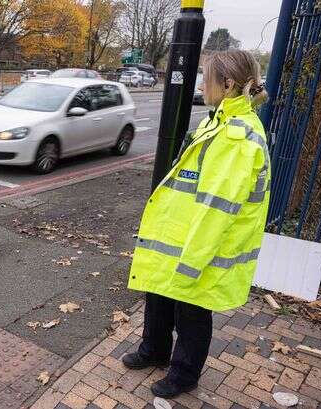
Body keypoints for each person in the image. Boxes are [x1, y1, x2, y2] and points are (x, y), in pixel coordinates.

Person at [123, 49, 270, 398]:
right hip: (179, 235)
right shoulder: (215, 120)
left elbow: (217, 210)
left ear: (228, 83)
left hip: (200, 246)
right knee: (159, 294)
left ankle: (184, 374)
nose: (201, 84)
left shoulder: (237, 137)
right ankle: (154, 350)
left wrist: (192, 262)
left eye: (206, 77)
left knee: (190, 310)